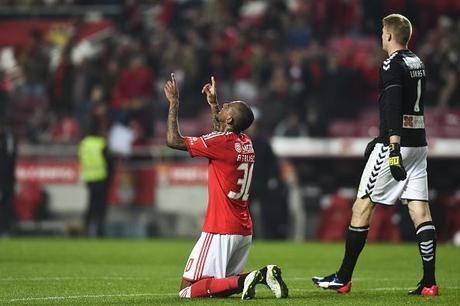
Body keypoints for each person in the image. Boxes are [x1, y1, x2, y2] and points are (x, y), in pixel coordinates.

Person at [312, 14, 439, 296]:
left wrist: (392, 146)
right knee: (420, 210)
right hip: (419, 144)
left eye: (383, 31)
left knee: (362, 205)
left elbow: (392, 105)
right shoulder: (417, 61)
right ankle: (429, 282)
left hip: (396, 145)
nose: (381, 36)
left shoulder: (391, 64)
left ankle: (342, 278)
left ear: (391, 35)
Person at [163, 73, 288, 300]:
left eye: (228, 106)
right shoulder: (246, 143)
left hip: (220, 228)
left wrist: (174, 103)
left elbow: (173, 140)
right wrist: (214, 105)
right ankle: (263, 275)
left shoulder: (222, 143)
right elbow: (220, 134)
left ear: (230, 120)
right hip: (243, 230)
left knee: (187, 289)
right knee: (221, 286)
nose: (225, 104)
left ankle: (249, 277)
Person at [78, 119, 113, 237]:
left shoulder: (84, 143)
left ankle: (86, 229)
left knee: (91, 205)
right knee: (100, 206)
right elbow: (109, 161)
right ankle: (99, 231)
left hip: (89, 178)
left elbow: (81, 159)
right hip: (101, 177)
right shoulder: (101, 143)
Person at [0, 119, 17, 236]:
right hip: (6, 177)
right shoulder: (8, 138)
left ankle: (5, 228)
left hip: (7, 179)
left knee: (6, 203)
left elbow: (10, 160)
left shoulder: (9, 137)